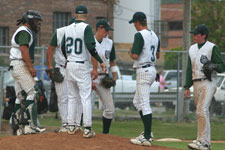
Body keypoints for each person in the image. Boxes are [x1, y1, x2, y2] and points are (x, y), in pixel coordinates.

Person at [63, 5, 107, 138]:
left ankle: (71, 125)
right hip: (81, 64)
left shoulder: (68, 28)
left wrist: (69, 59)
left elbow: (63, 47)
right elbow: (90, 46)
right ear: (86, 15)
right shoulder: (86, 27)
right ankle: (87, 128)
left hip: (69, 63)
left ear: (75, 14)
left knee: (71, 97)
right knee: (85, 97)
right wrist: (100, 61)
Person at [184, 24, 225, 150]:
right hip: (196, 82)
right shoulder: (191, 49)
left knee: (202, 110)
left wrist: (213, 66)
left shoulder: (212, 48)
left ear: (204, 35)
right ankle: (205, 143)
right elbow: (189, 68)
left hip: (208, 82)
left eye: (197, 34)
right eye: (194, 34)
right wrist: (187, 86)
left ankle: (201, 141)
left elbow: (222, 66)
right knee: (201, 113)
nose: (194, 36)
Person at [9, 10, 46, 135]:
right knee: (33, 92)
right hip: (20, 64)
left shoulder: (24, 31)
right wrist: (31, 67)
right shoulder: (24, 31)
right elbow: (24, 49)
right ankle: (31, 125)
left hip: (16, 65)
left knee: (21, 97)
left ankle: (20, 127)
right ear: (29, 20)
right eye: (36, 20)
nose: (37, 23)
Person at [128, 12, 160, 147]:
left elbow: (135, 55)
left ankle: (147, 137)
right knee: (137, 101)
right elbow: (157, 55)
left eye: (134, 23)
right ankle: (148, 132)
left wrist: (130, 52)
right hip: (152, 69)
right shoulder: (155, 35)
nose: (134, 25)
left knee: (144, 103)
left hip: (143, 70)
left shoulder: (139, 35)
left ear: (137, 22)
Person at [91, 19, 117, 134]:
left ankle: (106, 135)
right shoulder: (89, 41)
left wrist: (115, 76)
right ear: (99, 28)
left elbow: (112, 61)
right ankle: (79, 131)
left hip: (103, 77)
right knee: (85, 106)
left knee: (110, 109)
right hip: (89, 76)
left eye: (108, 31)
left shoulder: (109, 43)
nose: (107, 32)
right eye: (106, 30)